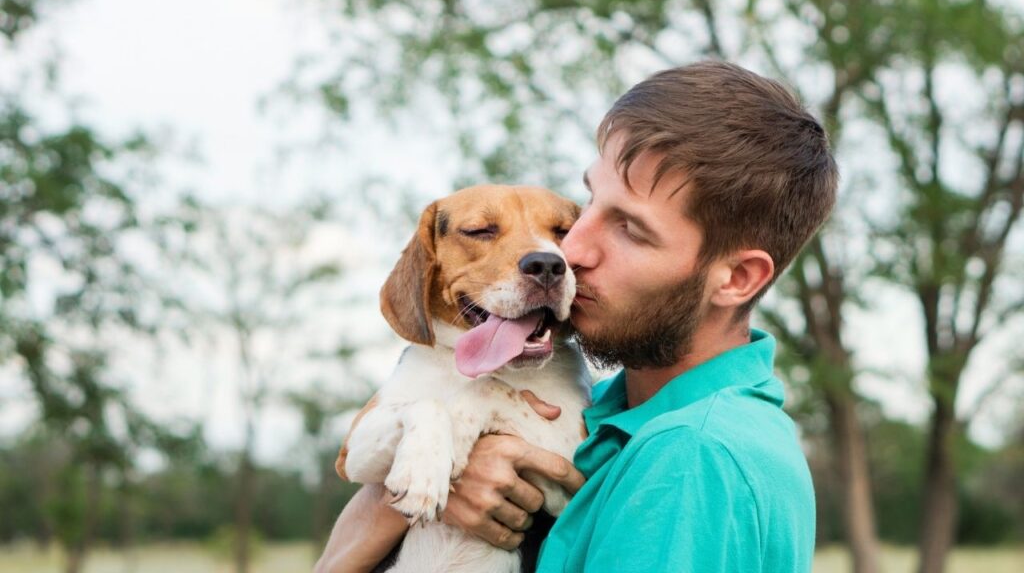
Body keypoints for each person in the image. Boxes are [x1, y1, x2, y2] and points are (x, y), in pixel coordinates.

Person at [315, 60, 837, 573]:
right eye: (587, 205)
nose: (573, 250)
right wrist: (451, 472)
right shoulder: (621, 412)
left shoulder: (690, 459)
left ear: (737, 279)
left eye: (630, 229)